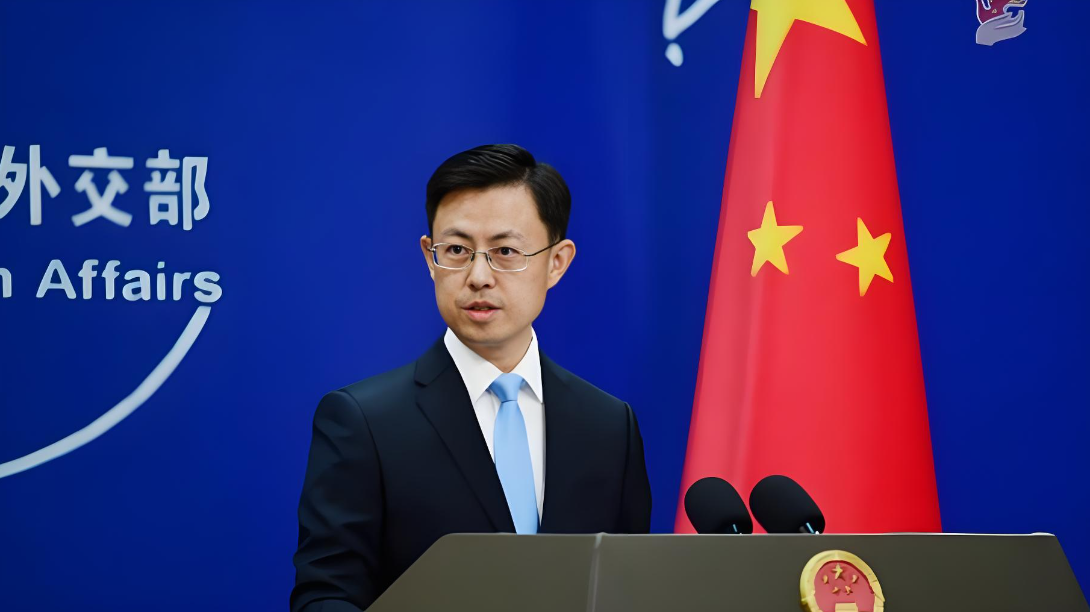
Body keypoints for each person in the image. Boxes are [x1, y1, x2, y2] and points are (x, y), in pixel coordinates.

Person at [290, 144, 652, 611]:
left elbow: (628, 590)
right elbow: (326, 596)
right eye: (457, 250)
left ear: (557, 263)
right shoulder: (364, 422)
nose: (479, 276)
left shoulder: (609, 426)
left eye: (506, 251)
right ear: (430, 257)